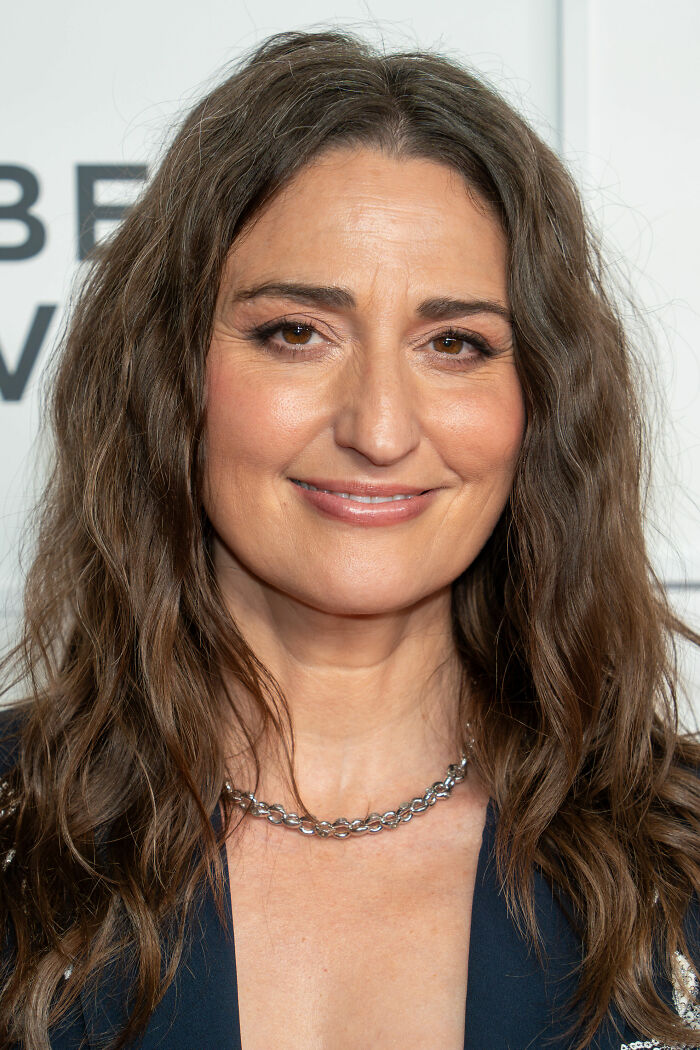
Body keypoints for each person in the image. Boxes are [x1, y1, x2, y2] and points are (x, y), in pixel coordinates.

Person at [1, 26, 699, 1050]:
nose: (378, 427)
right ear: (170, 377)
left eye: (454, 344)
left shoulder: (678, 860)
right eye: (296, 332)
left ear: (537, 404)